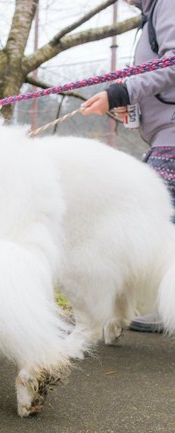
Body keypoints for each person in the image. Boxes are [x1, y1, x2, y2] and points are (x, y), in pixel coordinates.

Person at [82, 0, 174, 333]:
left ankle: (164, 306)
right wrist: (134, 104)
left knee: (160, 218)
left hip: (172, 137)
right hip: (165, 132)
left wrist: (121, 92)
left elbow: (173, 62)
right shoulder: (153, 12)